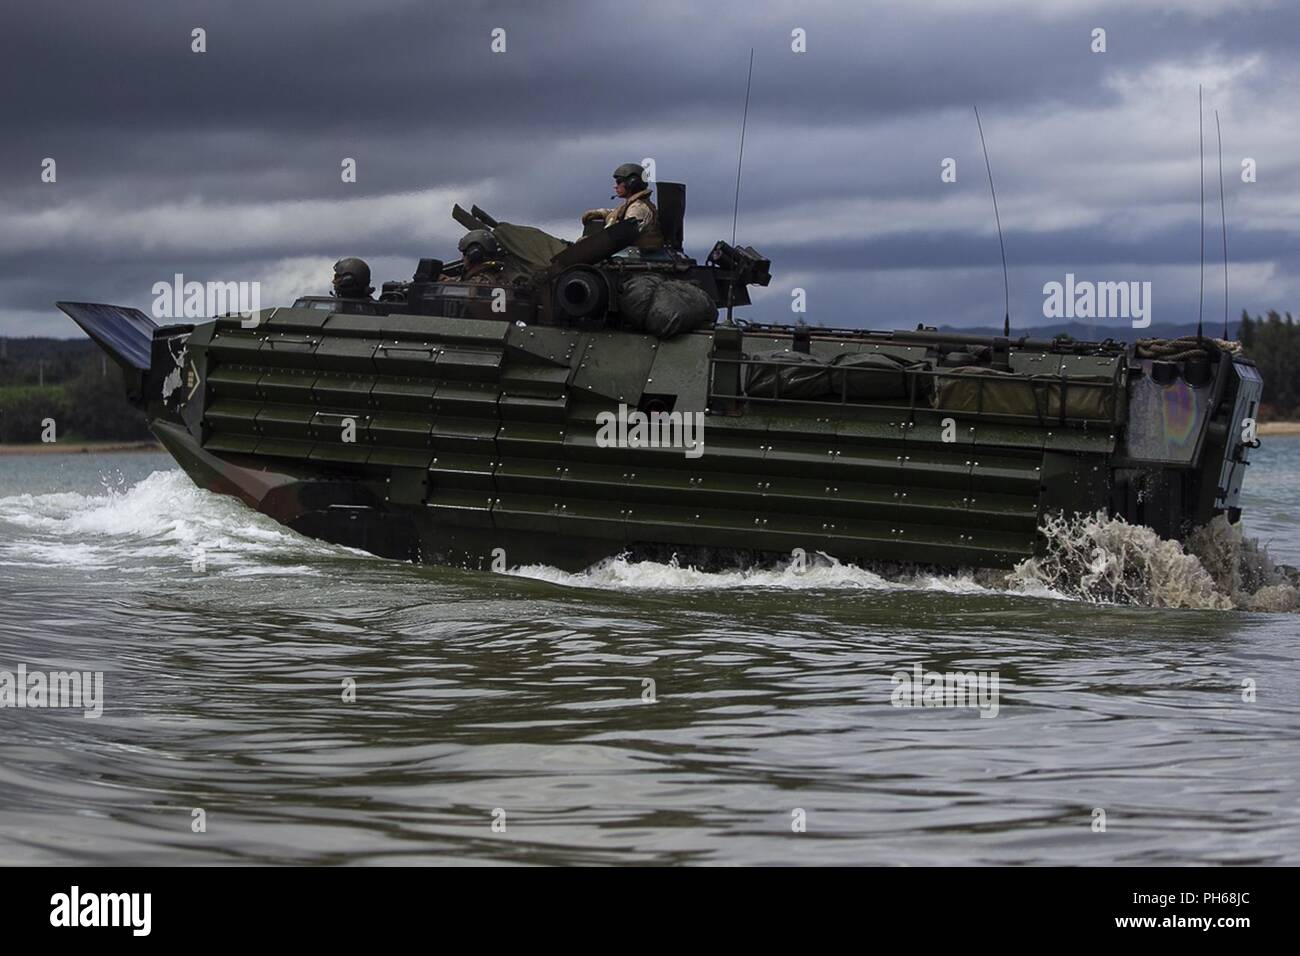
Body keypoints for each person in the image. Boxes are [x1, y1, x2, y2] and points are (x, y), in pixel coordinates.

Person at [581, 163, 665, 251]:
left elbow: (621, 234)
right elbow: (618, 212)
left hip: (635, 255)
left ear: (632, 183)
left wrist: (590, 242)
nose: (615, 186)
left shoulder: (638, 208)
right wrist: (601, 213)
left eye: (618, 182)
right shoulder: (635, 204)